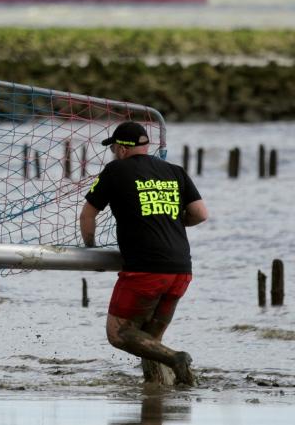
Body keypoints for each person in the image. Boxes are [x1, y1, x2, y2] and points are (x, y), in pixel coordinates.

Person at [79, 121, 209, 386]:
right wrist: (168, 219)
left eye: (114, 148)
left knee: (119, 334)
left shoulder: (115, 170)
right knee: (150, 339)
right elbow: (200, 214)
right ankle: (159, 387)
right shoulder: (175, 171)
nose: (114, 153)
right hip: (181, 270)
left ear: (122, 149)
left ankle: (176, 359)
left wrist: (90, 249)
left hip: (146, 270)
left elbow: (87, 215)